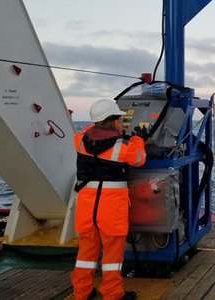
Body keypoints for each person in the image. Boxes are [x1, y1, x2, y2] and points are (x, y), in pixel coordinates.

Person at [71, 99, 146, 300]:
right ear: (113, 121)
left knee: (86, 254)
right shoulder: (123, 147)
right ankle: (113, 295)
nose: (122, 123)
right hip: (111, 209)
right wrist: (138, 138)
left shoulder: (79, 141)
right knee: (112, 256)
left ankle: (82, 292)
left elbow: (89, 130)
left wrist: (103, 127)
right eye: (120, 119)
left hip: (87, 208)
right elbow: (139, 159)